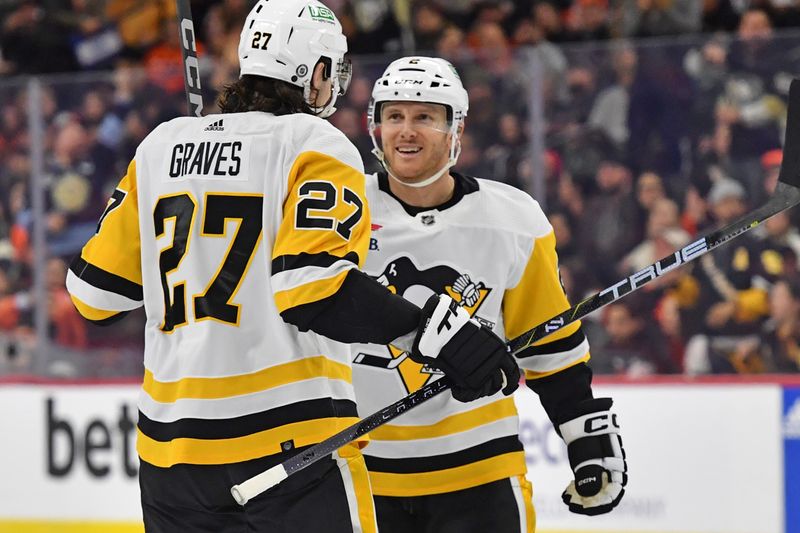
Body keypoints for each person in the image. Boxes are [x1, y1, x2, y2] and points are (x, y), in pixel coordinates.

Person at [64, 3, 519, 532]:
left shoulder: (160, 146)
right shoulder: (312, 142)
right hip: (288, 449)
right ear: (315, 72)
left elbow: (94, 297)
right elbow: (313, 289)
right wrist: (439, 332)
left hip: (170, 460)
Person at [350, 56, 628, 533]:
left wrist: (586, 434)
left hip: (481, 473)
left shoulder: (513, 218)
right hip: (359, 473)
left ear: (456, 127)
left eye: (424, 117)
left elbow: (548, 342)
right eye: (393, 116)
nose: (406, 131)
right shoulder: (340, 209)